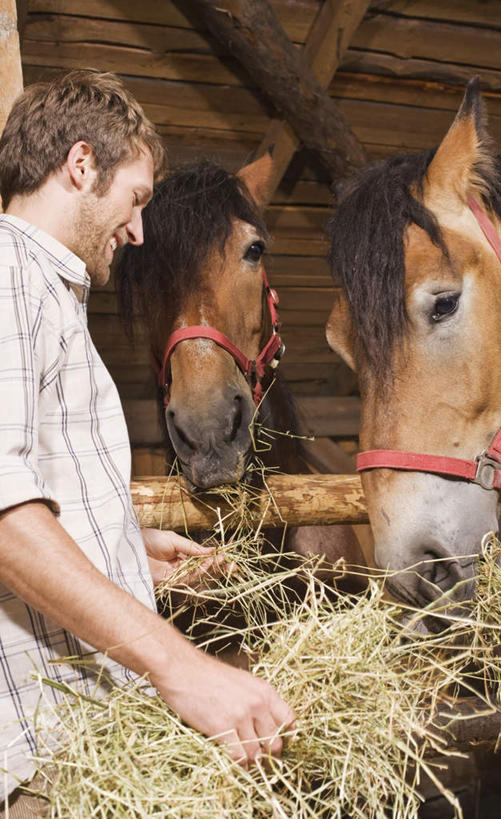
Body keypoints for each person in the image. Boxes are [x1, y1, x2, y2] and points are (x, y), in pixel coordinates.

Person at [0, 69, 295, 808]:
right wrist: (182, 667)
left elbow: (31, 481)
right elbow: (2, 512)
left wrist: (122, 544)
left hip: (87, 737)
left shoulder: (42, 291)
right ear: (79, 165)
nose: (137, 230)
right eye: (135, 200)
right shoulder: (7, 275)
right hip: (47, 749)